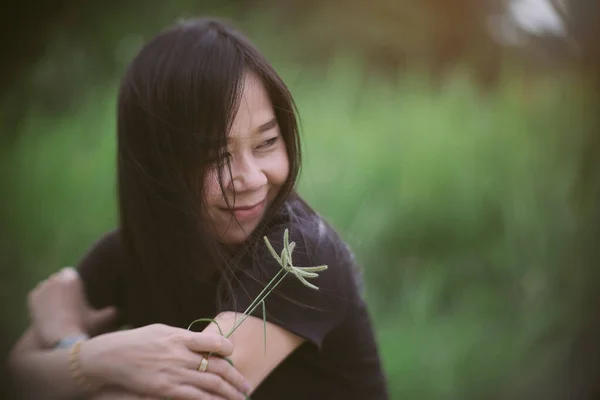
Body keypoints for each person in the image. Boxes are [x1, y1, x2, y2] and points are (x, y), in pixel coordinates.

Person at [9, 17, 388, 399]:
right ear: (155, 164)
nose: (252, 178)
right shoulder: (127, 253)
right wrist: (91, 360)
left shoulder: (297, 256)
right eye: (216, 156)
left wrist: (71, 344)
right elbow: (14, 379)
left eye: (267, 142)